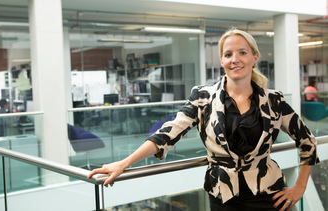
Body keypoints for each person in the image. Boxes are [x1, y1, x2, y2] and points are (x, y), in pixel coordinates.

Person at [88, 28, 319, 211]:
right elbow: (166, 134)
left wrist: (300, 186)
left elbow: (307, 141)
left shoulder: (274, 101)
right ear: (221, 60)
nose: (235, 59)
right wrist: (124, 163)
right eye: (228, 54)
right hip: (223, 197)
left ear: (254, 57)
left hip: (270, 196)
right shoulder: (204, 98)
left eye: (242, 52)